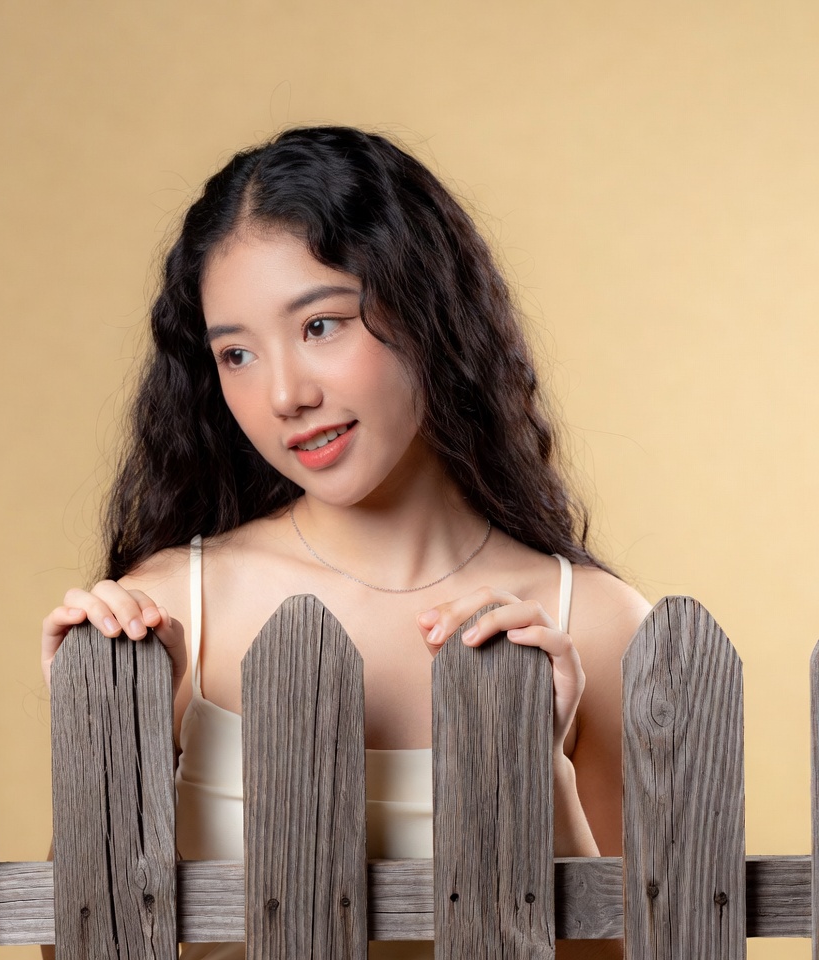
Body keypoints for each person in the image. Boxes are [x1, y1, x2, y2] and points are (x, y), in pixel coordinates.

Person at [42, 126, 649, 958]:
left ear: (427, 305)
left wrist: (535, 771)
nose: (285, 393)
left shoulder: (596, 625)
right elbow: (79, 944)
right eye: (238, 353)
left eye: (322, 326)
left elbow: (650, 937)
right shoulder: (177, 609)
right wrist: (107, 735)